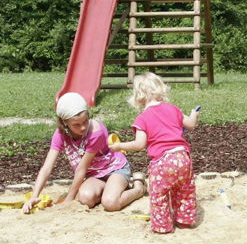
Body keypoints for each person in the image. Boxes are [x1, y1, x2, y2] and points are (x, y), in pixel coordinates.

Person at [22, 92, 145, 214]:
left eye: (85, 121)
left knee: (110, 204)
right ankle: (111, 189)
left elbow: (81, 168)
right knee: (86, 198)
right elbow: (47, 167)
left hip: (115, 169)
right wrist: (35, 195)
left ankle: (138, 188)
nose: (82, 127)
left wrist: (68, 200)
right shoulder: (60, 134)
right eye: (76, 124)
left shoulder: (96, 132)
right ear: (65, 122)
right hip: (95, 175)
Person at [109, 72, 200, 234]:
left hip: (163, 162)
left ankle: (163, 227)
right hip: (183, 157)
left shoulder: (143, 118)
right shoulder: (173, 109)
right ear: (161, 90)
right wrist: (194, 113)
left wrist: (119, 146)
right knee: (184, 190)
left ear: (138, 96)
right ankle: (185, 220)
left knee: (159, 195)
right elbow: (191, 124)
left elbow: (139, 144)